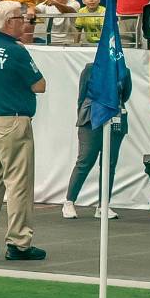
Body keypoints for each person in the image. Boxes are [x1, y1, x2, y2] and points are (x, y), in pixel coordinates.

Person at [0, 0, 47, 261]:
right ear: (7, 23)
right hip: (13, 123)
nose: (24, 21)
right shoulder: (16, 51)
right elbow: (39, 85)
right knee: (19, 185)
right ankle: (19, 241)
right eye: (19, 18)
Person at [62, 60, 132, 220]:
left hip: (116, 118)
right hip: (90, 118)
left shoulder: (124, 71)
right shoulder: (90, 69)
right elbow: (82, 93)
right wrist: (82, 114)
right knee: (85, 160)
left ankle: (103, 205)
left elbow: (125, 94)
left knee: (109, 164)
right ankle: (69, 201)